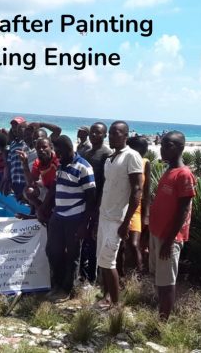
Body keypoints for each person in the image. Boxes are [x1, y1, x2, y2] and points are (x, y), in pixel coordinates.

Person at [148, 131, 196, 321]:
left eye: (169, 145)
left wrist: (169, 240)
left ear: (181, 148)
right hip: (157, 232)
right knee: (160, 279)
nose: (163, 149)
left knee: (167, 282)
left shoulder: (184, 174)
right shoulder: (169, 170)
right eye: (162, 145)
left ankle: (162, 323)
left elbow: (183, 211)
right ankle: (160, 314)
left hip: (170, 237)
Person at [95, 121, 143, 307]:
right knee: (102, 260)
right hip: (104, 216)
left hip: (117, 219)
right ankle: (106, 297)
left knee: (109, 262)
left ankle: (116, 308)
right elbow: (107, 188)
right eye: (111, 133)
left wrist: (126, 222)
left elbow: (137, 190)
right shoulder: (110, 158)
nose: (112, 136)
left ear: (126, 136)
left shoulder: (132, 156)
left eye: (117, 133)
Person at [41, 135, 96, 295]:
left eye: (59, 152)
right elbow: (55, 187)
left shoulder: (84, 167)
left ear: (68, 149)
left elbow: (91, 197)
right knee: (52, 251)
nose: (57, 155)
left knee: (72, 256)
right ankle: (56, 284)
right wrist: (45, 207)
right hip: (58, 216)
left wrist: (84, 225)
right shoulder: (61, 165)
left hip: (75, 217)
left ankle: (68, 289)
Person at [80, 122, 111, 285]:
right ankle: (82, 274)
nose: (94, 135)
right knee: (83, 239)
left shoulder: (107, 154)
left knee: (92, 240)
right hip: (83, 201)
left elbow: (105, 183)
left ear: (104, 135)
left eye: (98, 133)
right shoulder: (86, 152)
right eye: (92, 132)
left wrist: (97, 208)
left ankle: (92, 277)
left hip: (96, 204)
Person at [119, 136, 152, 275]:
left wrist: (146, 215)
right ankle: (121, 275)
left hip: (137, 210)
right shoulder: (122, 162)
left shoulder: (145, 163)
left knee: (133, 244)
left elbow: (146, 190)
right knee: (121, 245)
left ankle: (137, 277)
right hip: (121, 207)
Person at [21, 136, 60, 215]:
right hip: (48, 190)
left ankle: (43, 212)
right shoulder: (37, 162)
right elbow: (31, 183)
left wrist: (44, 205)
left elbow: (55, 186)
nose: (41, 150)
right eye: (38, 148)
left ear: (51, 147)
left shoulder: (57, 160)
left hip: (59, 191)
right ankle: (42, 213)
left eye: (44, 147)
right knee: (28, 191)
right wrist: (25, 164)